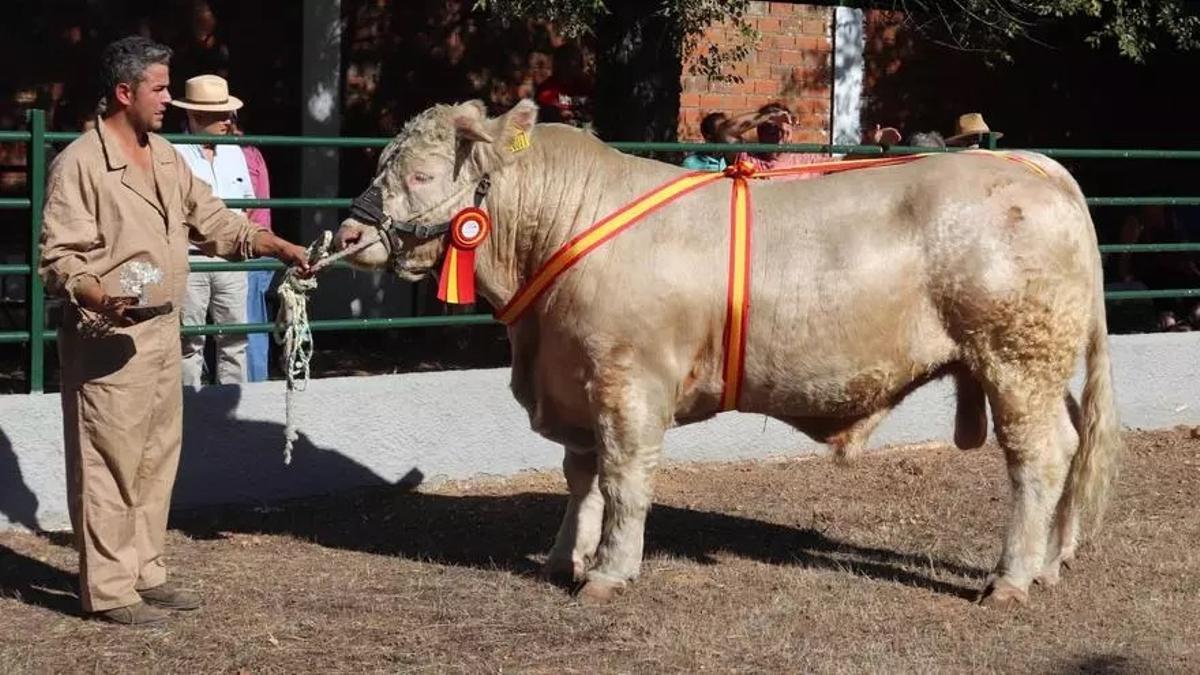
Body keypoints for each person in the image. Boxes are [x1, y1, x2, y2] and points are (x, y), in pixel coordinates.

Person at [38, 36, 309, 625]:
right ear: (123, 91)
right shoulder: (80, 163)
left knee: (156, 457)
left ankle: (144, 570)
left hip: (163, 330)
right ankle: (108, 590)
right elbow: (59, 256)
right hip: (110, 338)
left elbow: (214, 221)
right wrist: (96, 294)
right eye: (159, 88)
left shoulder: (164, 155)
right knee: (108, 460)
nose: (167, 99)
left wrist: (274, 245)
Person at [172, 74, 256, 385]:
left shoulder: (234, 151)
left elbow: (247, 201)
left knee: (235, 339)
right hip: (190, 258)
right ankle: (188, 409)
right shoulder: (172, 152)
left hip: (232, 259)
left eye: (228, 113)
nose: (228, 120)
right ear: (196, 115)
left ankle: (234, 407)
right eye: (220, 114)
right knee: (188, 341)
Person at [232, 114, 274, 382]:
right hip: (256, 247)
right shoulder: (251, 151)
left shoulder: (240, 154)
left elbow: (241, 210)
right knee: (250, 329)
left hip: (246, 249)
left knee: (246, 331)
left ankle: (254, 389)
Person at [716, 102, 829, 178]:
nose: (775, 131)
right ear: (759, 131)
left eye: (783, 123)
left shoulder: (810, 162)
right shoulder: (748, 161)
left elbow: (843, 164)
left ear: (791, 129)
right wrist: (768, 116)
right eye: (769, 127)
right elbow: (725, 132)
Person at [534, 43, 594, 129]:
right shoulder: (547, 89)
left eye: (574, 64)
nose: (570, 69)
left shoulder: (586, 86)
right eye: (566, 64)